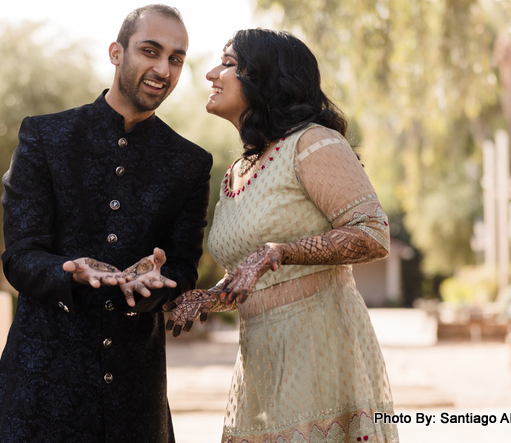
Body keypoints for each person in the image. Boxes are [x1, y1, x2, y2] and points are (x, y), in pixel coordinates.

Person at [0, 4, 213, 443]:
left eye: (176, 58)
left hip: (134, 395)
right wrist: (68, 273)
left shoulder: (189, 163)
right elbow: (20, 254)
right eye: (150, 51)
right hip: (40, 384)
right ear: (116, 52)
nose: (163, 68)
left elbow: (183, 265)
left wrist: (155, 282)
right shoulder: (44, 137)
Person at [165, 28, 400, 443]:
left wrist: (279, 251)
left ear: (264, 77)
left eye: (229, 63)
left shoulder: (313, 143)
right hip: (261, 364)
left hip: (321, 355)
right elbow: (253, 277)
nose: (212, 74)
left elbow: (373, 233)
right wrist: (207, 296)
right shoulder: (237, 172)